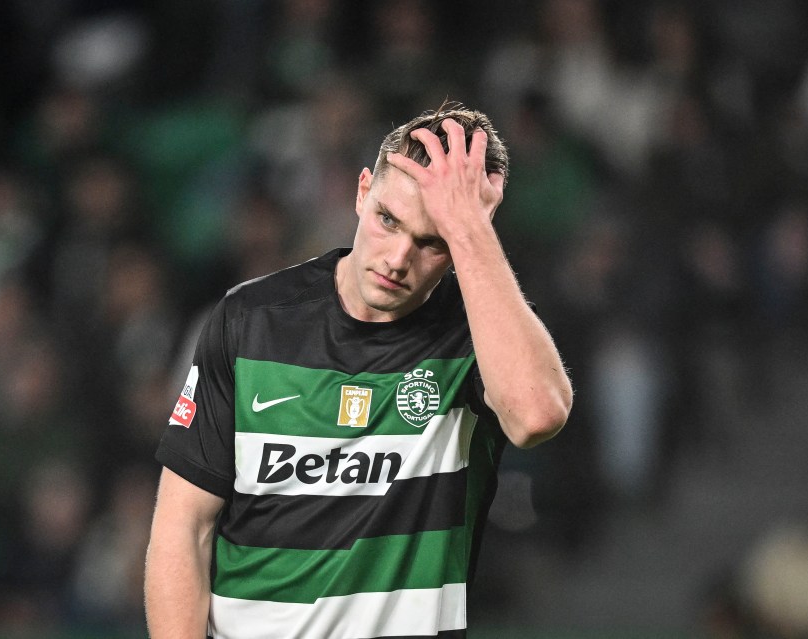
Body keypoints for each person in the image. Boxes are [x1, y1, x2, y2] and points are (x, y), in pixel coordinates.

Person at [144, 104, 573, 639]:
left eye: (432, 241)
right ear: (362, 190)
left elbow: (536, 415)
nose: (397, 259)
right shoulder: (250, 321)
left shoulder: (476, 338)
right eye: (388, 220)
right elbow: (184, 527)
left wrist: (470, 231)